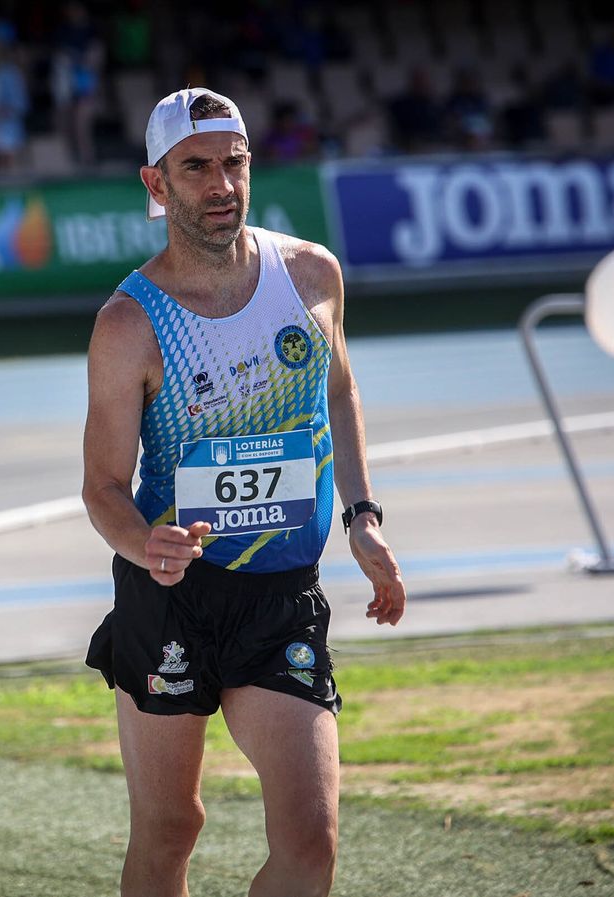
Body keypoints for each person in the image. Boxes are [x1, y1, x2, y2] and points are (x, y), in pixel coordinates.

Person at [81, 88, 405, 897]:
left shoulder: (311, 274)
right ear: (156, 186)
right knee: (170, 827)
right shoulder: (130, 323)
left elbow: (339, 391)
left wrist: (362, 517)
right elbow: (102, 488)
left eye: (234, 164)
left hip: (280, 596)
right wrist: (140, 542)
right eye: (197, 169)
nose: (222, 185)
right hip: (174, 597)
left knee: (311, 838)